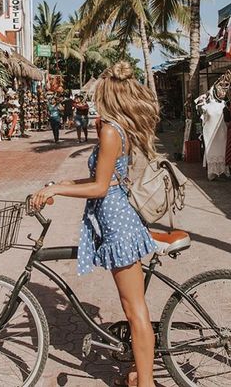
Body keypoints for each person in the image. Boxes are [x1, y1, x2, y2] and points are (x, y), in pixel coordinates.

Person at [33, 62, 159, 387]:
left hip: (118, 225)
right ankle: (136, 376)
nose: (94, 98)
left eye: (98, 92)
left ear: (108, 93)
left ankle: (145, 384)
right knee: (133, 308)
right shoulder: (117, 127)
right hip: (116, 218)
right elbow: (104, 179)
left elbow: (100, 188)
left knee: (135, 311)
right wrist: (62, 181)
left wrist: (58, 189)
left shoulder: (110, 131)